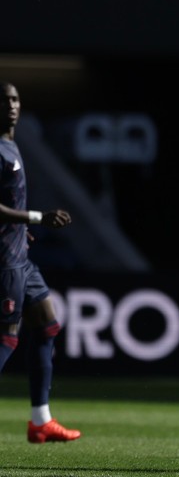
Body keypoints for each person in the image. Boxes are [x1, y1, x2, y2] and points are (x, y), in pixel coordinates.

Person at [0, 82, 81, 444]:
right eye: (4, 100)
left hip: (20, 254)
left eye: (15, 99)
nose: (11, 105)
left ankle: (40, 421)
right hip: (5, 261)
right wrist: (37, 218)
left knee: (47, 323)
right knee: (7, 337)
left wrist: (20, 229)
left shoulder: (11, 144)